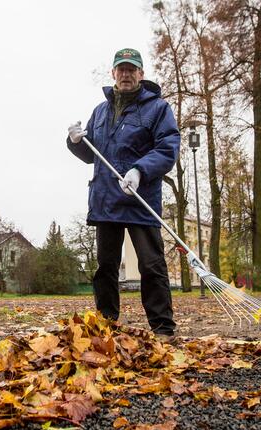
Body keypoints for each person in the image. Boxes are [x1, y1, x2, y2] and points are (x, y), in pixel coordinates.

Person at [66, 48, 180, 340]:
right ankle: (106, 325)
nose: (126, 74)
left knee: (151, 265)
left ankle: (163, 328)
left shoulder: (158, 109)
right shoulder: (100, 112)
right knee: (105, 267)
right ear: (113, 73)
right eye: (121, 69)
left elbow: (168, 149)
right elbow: (92, 155)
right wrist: (75, 141)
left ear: (141, 74)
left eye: (132, 69)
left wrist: (140, 170)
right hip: (106, 199)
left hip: (141, 200)